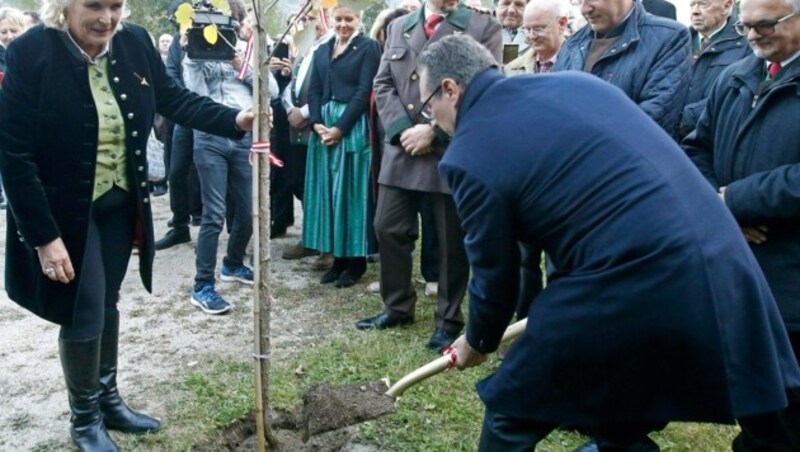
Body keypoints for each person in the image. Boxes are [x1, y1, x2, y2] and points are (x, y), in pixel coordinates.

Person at [418, 34, 800, 451]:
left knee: (512, 412)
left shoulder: (469, 153)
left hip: (631, 276)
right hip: (721, 257)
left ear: (451, 88)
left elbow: (496, 272)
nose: (433, 121)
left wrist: (478, 340)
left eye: (427, 106)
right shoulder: (578, 85)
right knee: (623, 414)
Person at [0, 0, 254, 449]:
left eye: (115, 6)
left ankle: (108, 400)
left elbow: (171, 98)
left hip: (120, 202)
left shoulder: (134, 42)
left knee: (108, 300)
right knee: (84, 303)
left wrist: (233, 118)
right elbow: (14, 153)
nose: (106, 18)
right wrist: (43, 237)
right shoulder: (31, 52)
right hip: (64, 212)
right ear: (64, 6)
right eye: (93, 6)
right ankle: (84, 421)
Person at [683, 0, 800, 448]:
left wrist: (734, 200)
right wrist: (720, 211)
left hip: (791, 279)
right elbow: (696, 149)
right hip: (744, 272)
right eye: (746, 27)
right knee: (756, 402)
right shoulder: (734, 78)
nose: (752, 36)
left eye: (765, 25)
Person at [358, 0, 501, 353]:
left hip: (451, 147)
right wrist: (402, 128)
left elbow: (486, 85)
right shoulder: (399, 25)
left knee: (452, 239)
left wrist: (433, 131)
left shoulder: (484, 27)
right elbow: (383, 82)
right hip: (402, 147)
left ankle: (448, 321)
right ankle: (397, 306)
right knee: (387, 227)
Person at [183, 0, 277, 314]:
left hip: (244, 138)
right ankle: (202, 285)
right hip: (209, 138)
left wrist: (239, 61)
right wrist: (194, 55)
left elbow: (272, 90)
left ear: (233, 22)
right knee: (213, 213)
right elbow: (192, 95)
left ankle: (233, 263)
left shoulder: (247, 48)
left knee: (251, 208)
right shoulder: (193, 51)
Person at [303, 4, 381, 288]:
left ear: (359, 20)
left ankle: (356, 262)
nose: (343, 24)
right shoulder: (323, 48)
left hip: (352, 127)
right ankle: (337, 258)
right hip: (323, 127)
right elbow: (313, 89)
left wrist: (340, 128)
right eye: (339, 19)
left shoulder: (369, 47)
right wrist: (316, 123)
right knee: (328, 194)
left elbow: (364, 92)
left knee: (351, 194)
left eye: (349, 19)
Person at [555, 0, 691, 138]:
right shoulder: (572, 44)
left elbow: (652, 121)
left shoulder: (669, 37)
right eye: (578, 1)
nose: (584, 9)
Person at [279, 11, 332, 264]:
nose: (307, 23)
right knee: (302, 184)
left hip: (319, 125)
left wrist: (305, 112)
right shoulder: (304, 46)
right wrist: (290, 108)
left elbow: (329, 88)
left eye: (313, 17)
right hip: (297, 127)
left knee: (323, 185)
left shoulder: (333, 45)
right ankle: (310, 237)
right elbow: (292, 84)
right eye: (303, 18)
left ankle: (326, 244)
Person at [677, 0, 750, 139]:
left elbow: (739, 94)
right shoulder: (677, 42)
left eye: (704, 4)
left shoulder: (747, 44)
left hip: (716, 137)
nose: (695, 11)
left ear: (727, 6)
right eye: (692, 4)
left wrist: (688, 117)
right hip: (673, 137)